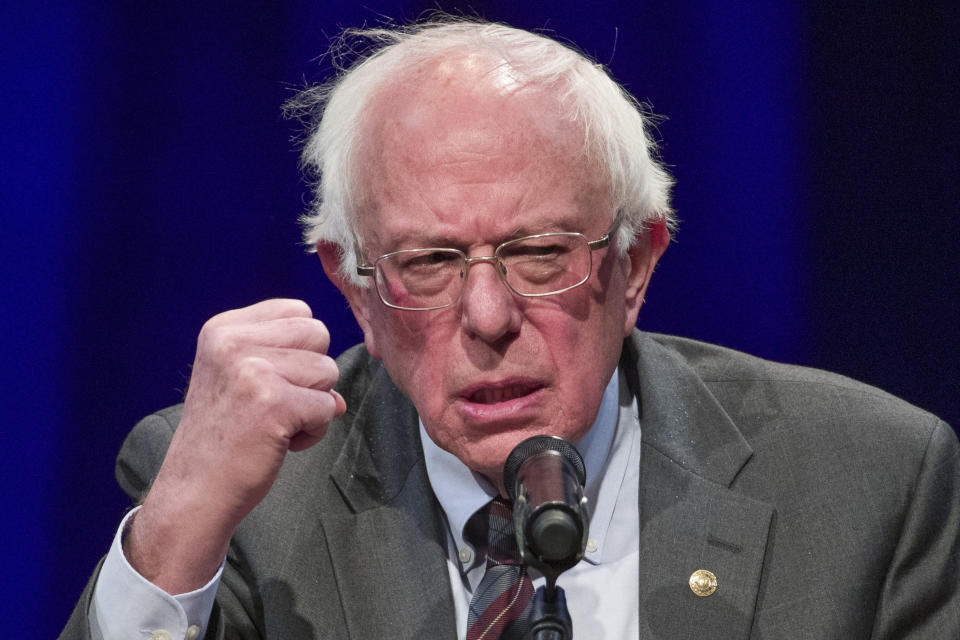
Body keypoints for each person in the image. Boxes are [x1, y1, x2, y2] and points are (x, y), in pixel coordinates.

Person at [62, 18, 959, 640]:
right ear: (357, 290)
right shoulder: (248, 509)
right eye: (428, 264)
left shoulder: (868, 483)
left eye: (537, 254)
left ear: (636, 264)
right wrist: (177, 532)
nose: (487, 319)